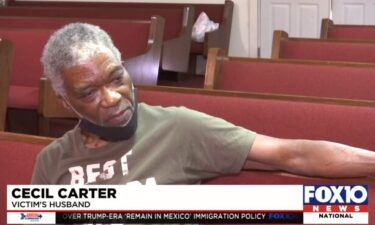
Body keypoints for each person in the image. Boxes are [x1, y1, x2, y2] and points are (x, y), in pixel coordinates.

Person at [32, 22, 375, 185]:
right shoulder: (51, 162)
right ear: (64, 101)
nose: (112, 98)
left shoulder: (179, 130)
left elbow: (292, 153)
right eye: (89, 93)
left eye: (116, 77)